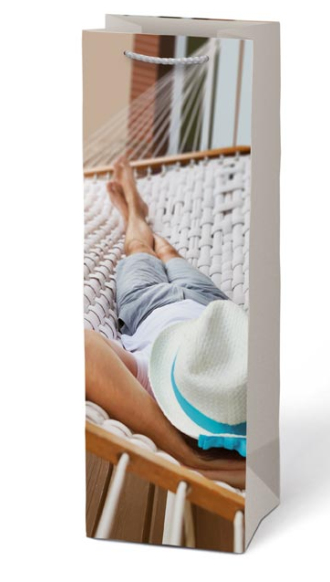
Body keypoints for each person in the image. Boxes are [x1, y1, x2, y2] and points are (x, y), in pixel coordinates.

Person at [84, 154, 246, 488]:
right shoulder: (243, 397)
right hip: (210, 306)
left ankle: (132, 210)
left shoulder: (152, 393)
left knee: (139, 246)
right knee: (169, 251)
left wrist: (185, 456)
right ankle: (137, 208)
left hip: (148, 303)